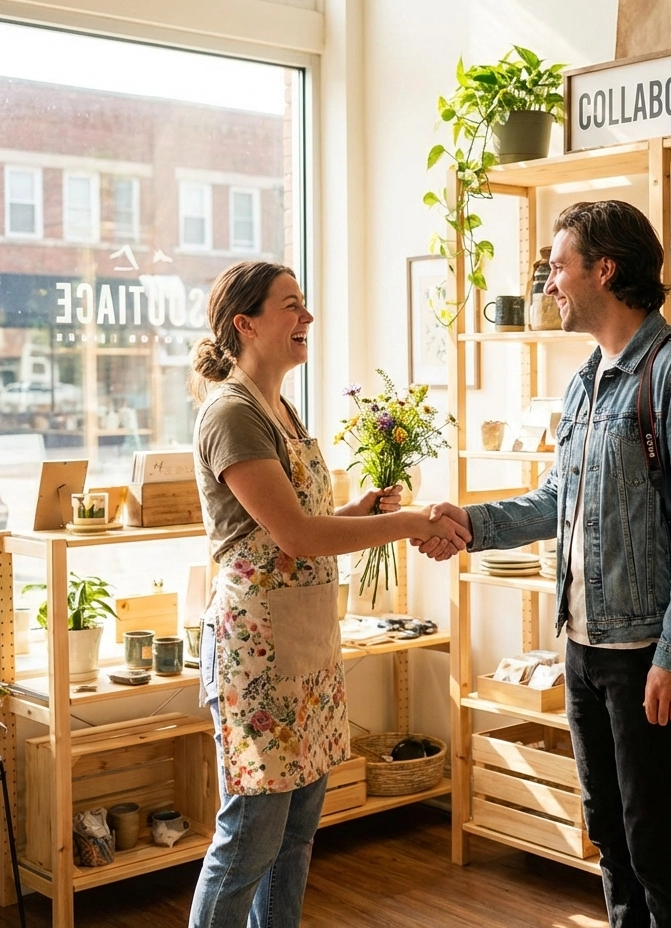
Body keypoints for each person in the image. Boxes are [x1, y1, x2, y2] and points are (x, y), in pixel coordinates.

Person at [421, 201, 671, 928]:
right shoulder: (586, 379)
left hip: (648, 654)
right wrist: (470, 523)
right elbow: (557, 498)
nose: (549, 282)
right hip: (586, 648)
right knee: (611, 839)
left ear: (606, 268)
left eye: (558, 265)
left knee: (659, 843)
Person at [187, 260, 470, 928]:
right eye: (292, 306)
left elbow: (297, 531)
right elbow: (296, 535)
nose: (307, 319)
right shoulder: (232, 414)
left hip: (304, 651)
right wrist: (406, 522)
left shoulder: (280, 410)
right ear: (245, 323)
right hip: (257, 660)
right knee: (249, 838)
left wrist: (362, 508)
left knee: (294, 840)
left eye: (306, 305)